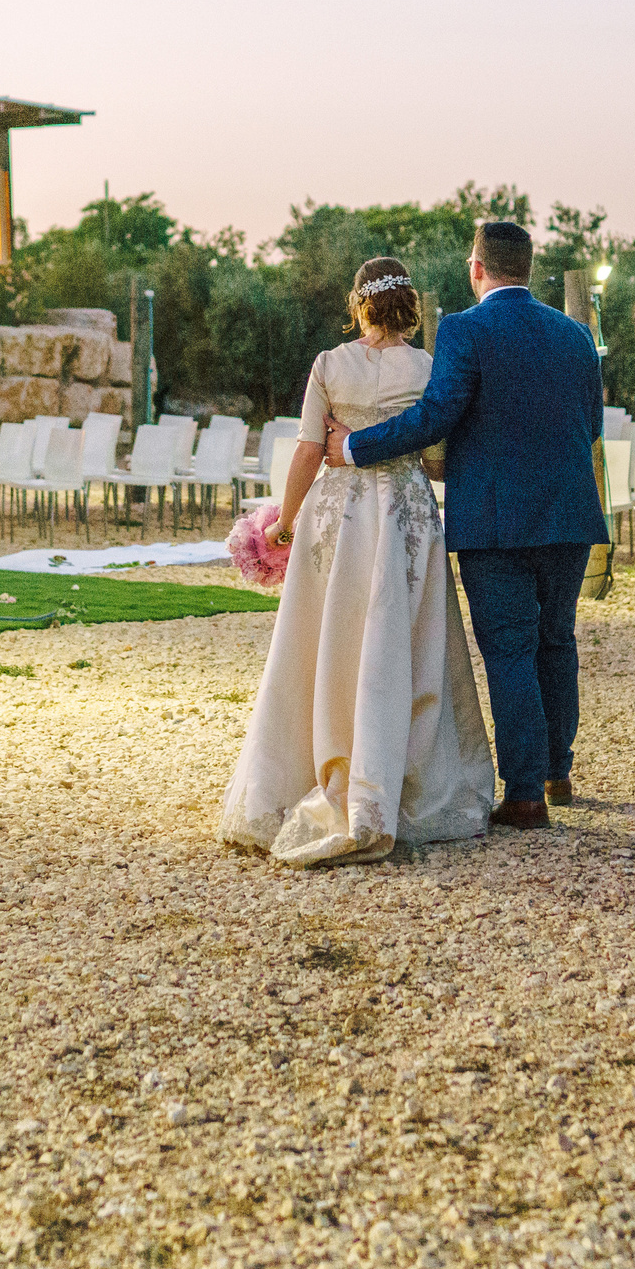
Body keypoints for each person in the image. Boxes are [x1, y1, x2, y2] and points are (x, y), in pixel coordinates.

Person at [324, 221, 606, 830]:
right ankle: (558, 770)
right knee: (557, 641)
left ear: (477, 269)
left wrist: (354, 447)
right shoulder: (576, 335)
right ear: (528, 268)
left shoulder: (463, 329)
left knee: (509, 648)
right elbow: (594, 425)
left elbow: (435, 417)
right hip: (570, 513)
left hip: (496, 522)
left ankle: (526, 792)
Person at [217, 257, 497, 866]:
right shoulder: (427, 368)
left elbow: (309, 452)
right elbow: (439, 461)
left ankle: (317, 767)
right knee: (406, 643)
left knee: (328, 641)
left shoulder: (329, 365)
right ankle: (400, 782)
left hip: (339, 522)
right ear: (411, 307)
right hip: (404, 520)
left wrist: (285, 525)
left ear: (358, 305)